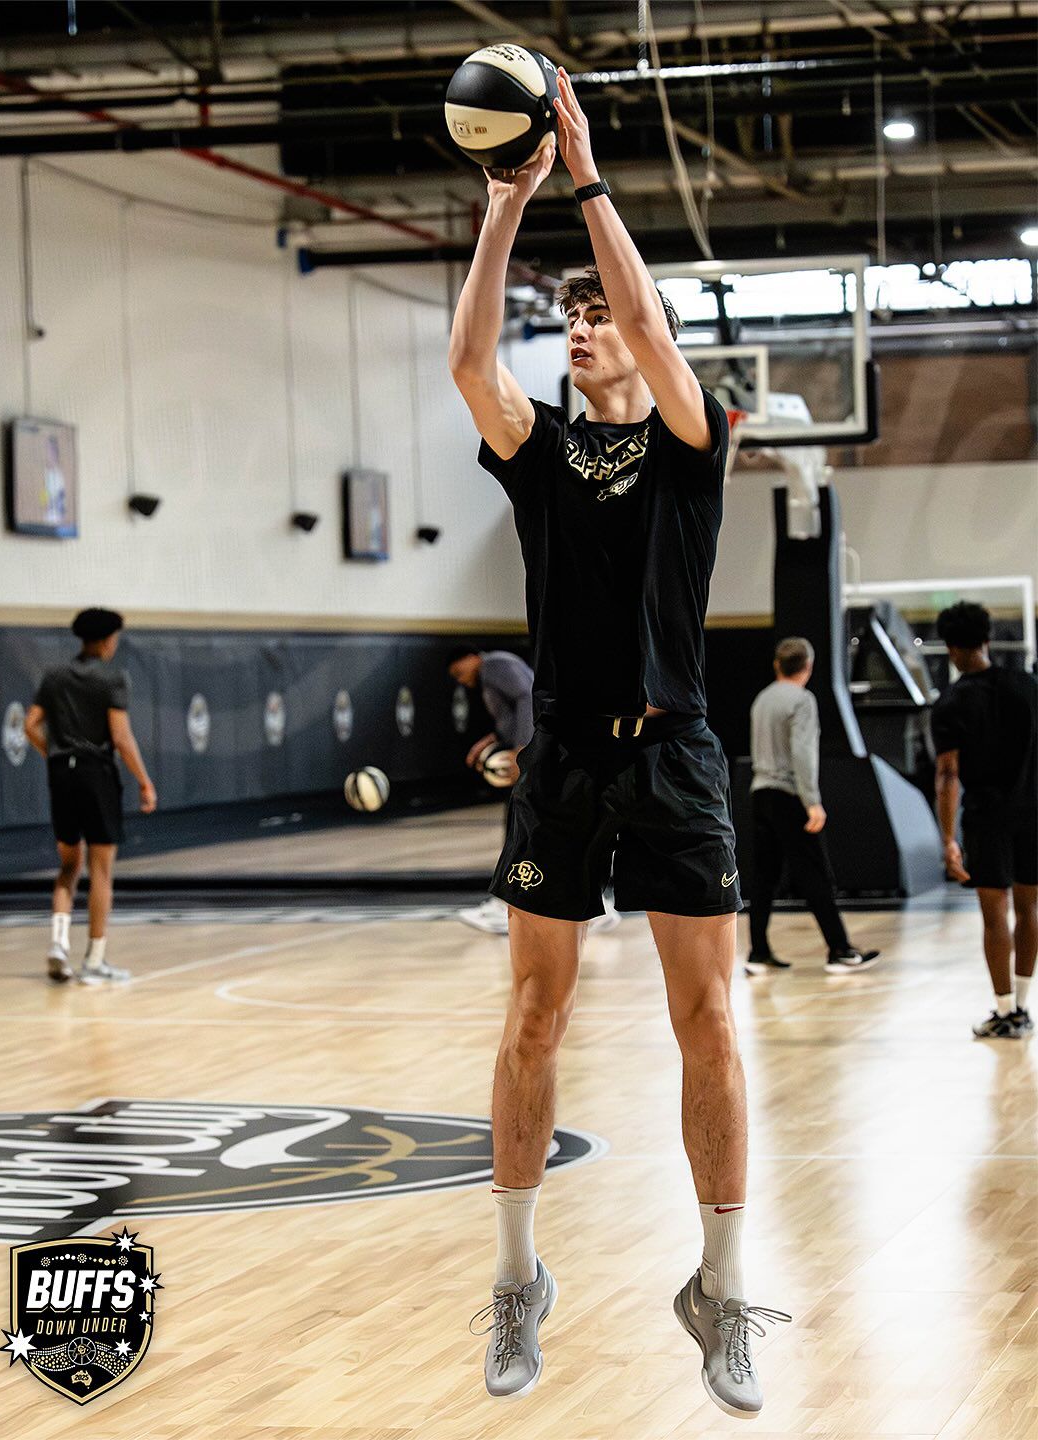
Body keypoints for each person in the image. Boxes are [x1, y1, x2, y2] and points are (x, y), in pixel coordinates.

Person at [450, 70, 789, 1418]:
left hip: (678, 759)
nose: (587, 332)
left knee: (708, 1020)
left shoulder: (696, 444)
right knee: (534, 1018)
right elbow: (472, 363)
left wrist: (584, 170)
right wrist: (506, 206)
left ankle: (718, 1288)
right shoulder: (538, 456)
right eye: (574, 323)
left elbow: (647, 312)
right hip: (569, 768)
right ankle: (518, 1277)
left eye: (600, 320)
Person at [23, 608, 157, 984]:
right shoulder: (113, 679)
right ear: (105, 640)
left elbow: (30, 725)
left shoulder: (54, 676)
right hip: (96, 774)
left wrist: (52, 752)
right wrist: (144, 781)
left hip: (60, 774)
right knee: (100, 871)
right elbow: (121, 738)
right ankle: (95, 960)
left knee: (68, 866)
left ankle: (58, 945)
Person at [448, 646, 619, 935]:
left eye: (458, 671)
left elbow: (527, 697)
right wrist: (488, 742)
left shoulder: (494, 665)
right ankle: (590, 901)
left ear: (471, 656)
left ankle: (510, 903)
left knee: (527, 823)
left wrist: (523, 751)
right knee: (538, 825)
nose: (460, 679)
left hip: (539, 754)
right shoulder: (493, 671)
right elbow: (511, 716)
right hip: (542, 751)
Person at [932, 601, 1036, 1039]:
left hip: (986, 818)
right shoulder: (1029, 686)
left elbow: (948, 775)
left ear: (952, 648)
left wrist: (948, 839)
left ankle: (1004, 1010)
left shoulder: (951, 702)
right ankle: (1025, 1008)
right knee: (1030, 909)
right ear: (987, 638)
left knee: (995, 917)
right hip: (1033, 811)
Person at [747, 637, 881, 977]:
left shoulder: (762, 699)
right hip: (789, 795)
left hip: (760, 793)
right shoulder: (802, 700)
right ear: (808, 666)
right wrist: (812, 802)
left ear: (777, 665)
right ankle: (839, 950)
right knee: (815, 874)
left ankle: (758, 951)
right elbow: (803, 754)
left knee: (764, 877)